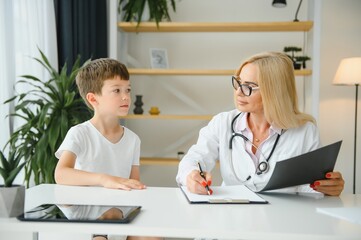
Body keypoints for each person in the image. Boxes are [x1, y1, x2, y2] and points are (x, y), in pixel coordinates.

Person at [176, 52, 344, 197]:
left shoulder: (305, 131)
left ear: (274, 92)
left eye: (249, 86)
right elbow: (194, 158)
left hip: (279, 223)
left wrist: (327, 188)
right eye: (238, 82)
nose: (239, 91)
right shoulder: (223, 122)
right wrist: (191, 176)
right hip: (230, 217)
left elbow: (309, 189)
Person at [54, 58, 159, 240]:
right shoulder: (79, 133)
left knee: (152, 234)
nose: (126, 96)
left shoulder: (133, 140)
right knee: (109, 218)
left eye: (128, 90)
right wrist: (104, 179)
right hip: (87, 210)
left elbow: (134, 185)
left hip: (119, 209)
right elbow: (61, 174)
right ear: (93, 98)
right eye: (116, 90)